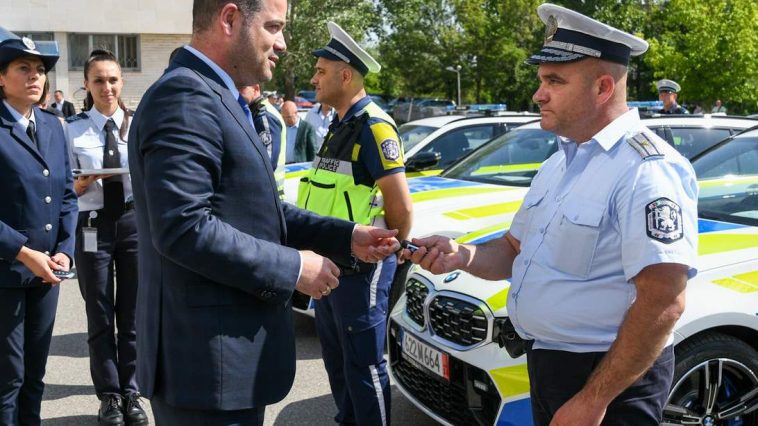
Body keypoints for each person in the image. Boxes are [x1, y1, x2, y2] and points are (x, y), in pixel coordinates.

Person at [402, 4, 698, 425]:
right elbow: (513, 249)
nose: (538, 94)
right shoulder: (560, 162)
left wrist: (592, 400)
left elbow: (664, 302)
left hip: (608, 380)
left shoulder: (647, 169)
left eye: (554, 81)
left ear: (602, 88)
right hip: (550, 365)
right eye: (541, 80)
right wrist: (461, 256)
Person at [127, 1, 400, 424]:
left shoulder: (217, 95)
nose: (283, 43)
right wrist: (294, 267)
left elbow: (256, 210)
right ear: (229, 19)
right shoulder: (185, 96)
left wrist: (346, 236)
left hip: (222, 367)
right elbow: (184, 227)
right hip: (206, 371)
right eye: (273, 27)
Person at [298, 21, 413, 426]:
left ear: (345, 76)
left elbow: (400, 206)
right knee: (337, 360)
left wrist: (392, 248)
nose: (313, 79)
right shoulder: (338, 125)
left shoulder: (373, 127)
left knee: (364, 365)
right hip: (329, 264)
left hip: (361, 267)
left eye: (321, 71)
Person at [0, 28, 78, 425]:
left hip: (47, 272)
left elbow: (66, 195)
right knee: (7, 380)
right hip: (7, 273)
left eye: (40, 70)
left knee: (35, 375)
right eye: (23, 68)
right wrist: (22, 251)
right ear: (1, 77)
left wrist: (65, 249)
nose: (35, 76)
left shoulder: (52, 126)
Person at [65, 49, 147, 426]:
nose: (107, 87)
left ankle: (131, 391)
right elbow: (62, 187)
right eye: (98, 80)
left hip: (132, 224)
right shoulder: (72, 129)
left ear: (122, 82)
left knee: (131, 313)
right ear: (86, 84)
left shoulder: (138, 125)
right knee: (99, 311)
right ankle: (109, 395)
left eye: (113, 79)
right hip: (91, 226)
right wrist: (79, 185)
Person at [240, 83, 286, 197]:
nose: (237, 92)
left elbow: (267, 162)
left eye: (241, 87)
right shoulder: (254, 111)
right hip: (265, 192)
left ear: (256, 89)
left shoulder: (264, 115)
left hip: (268, 194)